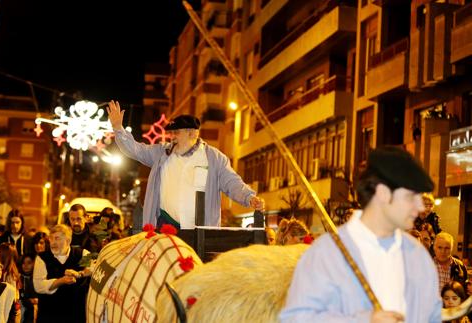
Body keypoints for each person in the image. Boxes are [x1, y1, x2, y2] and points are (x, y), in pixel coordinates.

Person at [280, 146, 441, 322]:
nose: (420, 206)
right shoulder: (326, 254)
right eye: (411, 197)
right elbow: (296, 318)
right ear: (383, 193)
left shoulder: (419, 257)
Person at [108, 100, 264, 229]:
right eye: (171, 133)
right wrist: (118, 129)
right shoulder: (162, 153)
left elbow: (232, 183)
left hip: (199, 232)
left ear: (193, 133)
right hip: (165, 226)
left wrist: (249, 197)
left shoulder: (214, 158)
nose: (172, 137)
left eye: (177, 133)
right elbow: (136, 150)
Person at [33, 225, 92, 323]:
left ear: (68, 241)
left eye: (57, 238)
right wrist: (62, 281)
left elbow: (94, 268)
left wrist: (79, 274)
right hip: (49, 316)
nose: (53, 242)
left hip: (76, 315)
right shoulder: (42, 258)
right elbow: (38, 286)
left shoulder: (81, 254)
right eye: (51, 239)